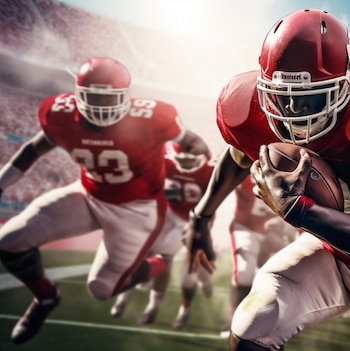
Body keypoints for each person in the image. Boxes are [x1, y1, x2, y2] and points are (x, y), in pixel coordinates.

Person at [184, 9, 350, 351]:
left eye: (310, 97)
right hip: (327, 250)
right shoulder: (249, 112)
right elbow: (239, 155)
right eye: (281, 95)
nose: (292, 109)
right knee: (255, 323)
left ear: (346, 86)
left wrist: (299, 211)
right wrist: (200, 216)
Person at [0, 57, 210, 344]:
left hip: (137, 209)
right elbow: (33, 149)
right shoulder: (60, 113)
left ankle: (162, 260)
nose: (101, 106)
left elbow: (194, 142)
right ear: (77, 95)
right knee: (9, 241)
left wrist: (196, 156)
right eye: (93, 97)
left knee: (101, 288)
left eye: (109, 98)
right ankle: (46, 299)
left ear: (127, 97)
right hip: (89, 193)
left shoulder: (151, 117)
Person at [109, 142, 215, 329]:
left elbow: (213, 204)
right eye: (181, 159)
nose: (186, 164)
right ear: (172, 155)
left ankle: (175, 305)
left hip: (192, 220)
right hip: (169, 213)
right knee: (141, 254)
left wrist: (199, 226)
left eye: (190, 160)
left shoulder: (210, 170)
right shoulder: (162, 162)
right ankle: (129, 298)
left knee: (185, 268)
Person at [219, 175, 299, 337]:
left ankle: (282, 318)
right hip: (246, 228)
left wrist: (283, 225)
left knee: (295, 270)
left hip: (275, 233)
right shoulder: (245, 173)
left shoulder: (293, 175)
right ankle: (234, 318)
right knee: (244, 273)